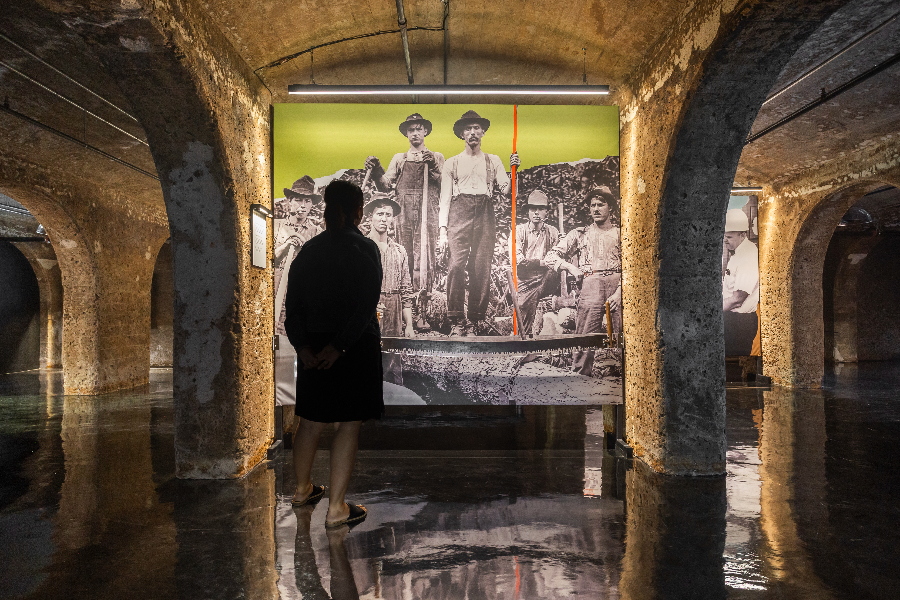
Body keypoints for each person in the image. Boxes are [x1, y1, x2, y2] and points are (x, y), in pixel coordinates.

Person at [283, 179, 383, 528]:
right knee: (348, 424)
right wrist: (338, 346)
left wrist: (304, 348)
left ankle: (301, 490)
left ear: (325, 209)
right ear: (358, 211)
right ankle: (337, 508)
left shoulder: (308, 251)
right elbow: (365, 306)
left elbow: (292, 308)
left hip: (314, 347)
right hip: (352, 348)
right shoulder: (366, 248)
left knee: (309, 421)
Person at [438, 109, 520, 336]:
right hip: (459, 214)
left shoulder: (493, 161)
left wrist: (514, 172)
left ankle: (474, 321)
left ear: (483, 132)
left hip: (485, 214)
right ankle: (456, 320)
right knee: (456, 266)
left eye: (476, 128)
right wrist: (443, 231)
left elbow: (507, 192)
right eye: (468, 129)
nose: (472, 132)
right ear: (461, 134)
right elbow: (444, 199)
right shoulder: (452, 163)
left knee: (481, 268)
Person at [365, 113, 445, 332]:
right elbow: (385, 184)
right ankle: (401, 313)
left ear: (425, 131)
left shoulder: (436, 156)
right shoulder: (399, 159)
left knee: (425, 260)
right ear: (407, 134)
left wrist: (435, 168)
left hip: (428, 214)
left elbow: (446, 183)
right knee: (405, 259)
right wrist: (376, 169)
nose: (415, 133)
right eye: (411, 130)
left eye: (419, 129)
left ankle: (422, 314)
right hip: (405, 216)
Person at [545, 186, 621, 375]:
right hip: (590, 286)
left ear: (610, 207)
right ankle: (580, 387)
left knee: (621, 341)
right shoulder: (580, 234)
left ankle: (622, 387)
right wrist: (571, 267)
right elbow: (551, 257)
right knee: (584, 340)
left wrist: (620, 293)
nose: (595, 209)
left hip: (619, 286)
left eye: (600, 204)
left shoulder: (622, 233)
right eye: (592, 205)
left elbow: (634, 267)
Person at [365, 193, 413, 385]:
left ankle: (393, 408)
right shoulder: (361, 247)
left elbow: (406, 291)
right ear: (370, 216)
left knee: (392, 363)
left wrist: (409, 324)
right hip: (369, 312)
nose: (384, 219)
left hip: (394, 308)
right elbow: (351, 290)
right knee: (368, 359)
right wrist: (370, 307)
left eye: (388, 214)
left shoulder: (399, 251)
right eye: (380, 214)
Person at [274, 176, 323, 337]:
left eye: (307, 201)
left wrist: (304, 248)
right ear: (289, 201)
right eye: (298, 200)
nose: (302, 205)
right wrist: (286, 245)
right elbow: (265, 261)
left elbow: (321, 268)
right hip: (276, 288)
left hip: (302, 293)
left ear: (311, 204)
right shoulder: (276, 226)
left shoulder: (316, 232)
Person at [512, 190, 560, 334]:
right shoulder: (519, 231)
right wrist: (542, 262)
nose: (536, 213)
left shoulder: (553, 232)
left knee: (555, 270)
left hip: (546, 278)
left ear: (546, 212)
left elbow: (556, 256)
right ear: (528, 211)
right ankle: (524, 337)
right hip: (524, 279)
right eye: (533, 209)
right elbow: (519, 261)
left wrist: (563, 244)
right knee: (522, 310)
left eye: (541, 209)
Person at [722, 208, 760, 356]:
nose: (725, 240)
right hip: (733, 319)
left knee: (734, 361)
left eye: (729, 237)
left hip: (739, 323)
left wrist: (712, 311)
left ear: (743, 235)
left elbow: (737, 299)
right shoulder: (738, 253)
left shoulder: (748, 255)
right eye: (724, 236)